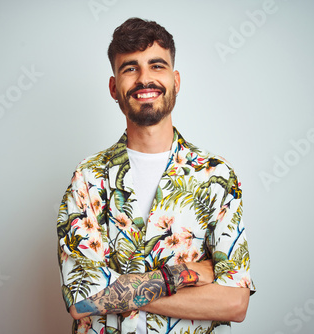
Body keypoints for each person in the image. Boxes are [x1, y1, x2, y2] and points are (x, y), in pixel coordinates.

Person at [57, 17, 255, 334]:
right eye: (130, 68)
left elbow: (234, 303)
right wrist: (182, 274)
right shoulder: (88, 178)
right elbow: (82, 297)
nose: (144, 78)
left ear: (176, 80)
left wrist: (115, 289)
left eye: (157, 66)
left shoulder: (216, 176)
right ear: (113, 87)